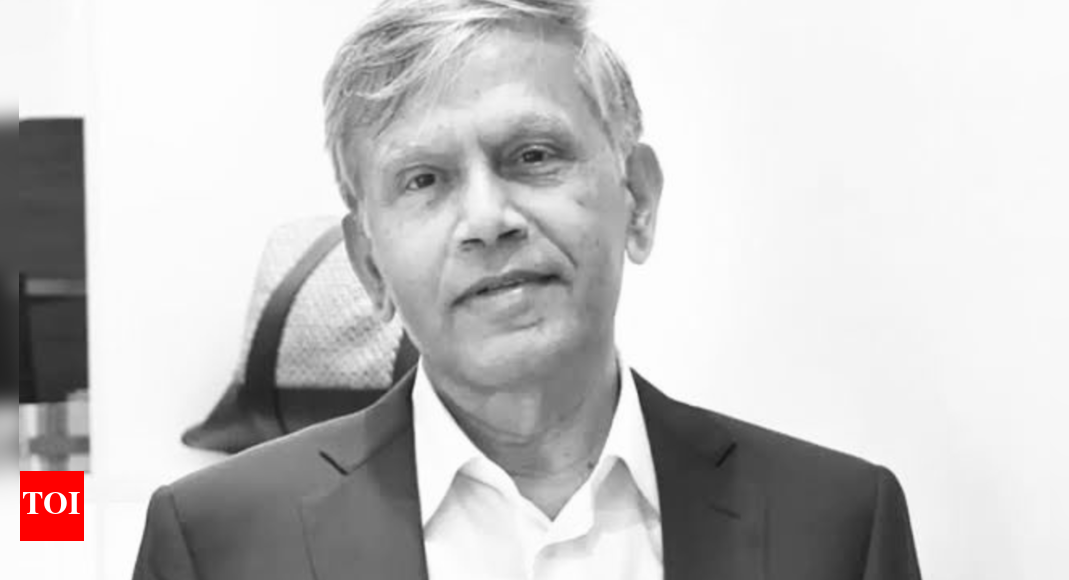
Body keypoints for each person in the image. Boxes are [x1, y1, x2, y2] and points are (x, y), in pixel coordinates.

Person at [133, 1, 922, 578]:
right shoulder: (215, 543)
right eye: (423, 180)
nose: (486, 220)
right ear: (370, 265)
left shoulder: (837, 526)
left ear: (638, 201)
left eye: (534, 155)